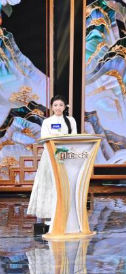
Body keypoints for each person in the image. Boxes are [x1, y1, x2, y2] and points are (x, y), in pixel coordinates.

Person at [28, 95, 78, 223]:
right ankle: (49, 215)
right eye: (55, 105)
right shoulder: (47, 122)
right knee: (49, 183)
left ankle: (65, 215)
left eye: (61, 105)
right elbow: (43, 139)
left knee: (64, 184)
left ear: (65, 106)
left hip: (65, 155)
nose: (58, 108)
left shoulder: (71, 120)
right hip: (50, 155)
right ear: (51, 107)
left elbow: (74, 138)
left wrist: (62, 138)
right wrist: (53, 138)